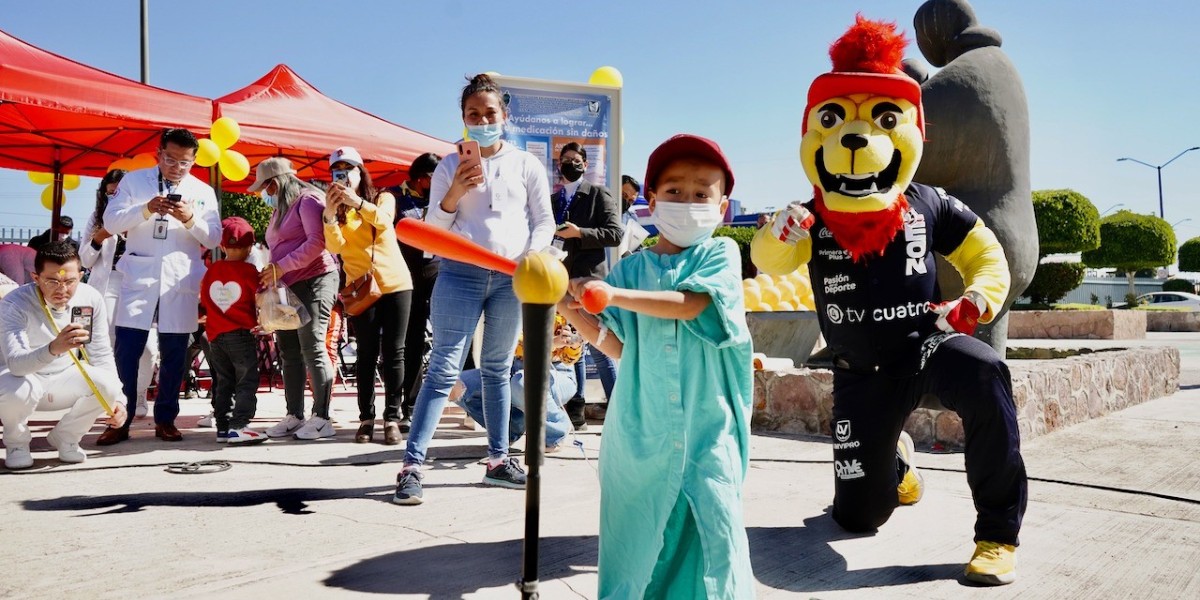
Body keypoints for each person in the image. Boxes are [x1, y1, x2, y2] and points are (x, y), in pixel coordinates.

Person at [750, 16, 1026, 586]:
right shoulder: (808, 216)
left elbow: (987, 255)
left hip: (927, 344)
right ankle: (896, 465)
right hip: (860, 374)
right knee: (857, 518)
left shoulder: (930, 204)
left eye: (881, 119)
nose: (855, 141)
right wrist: (778, 234)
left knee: (987, 374)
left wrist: (976, 299)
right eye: (835, 120)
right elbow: (768, 262)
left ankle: (998, 533)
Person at [557, 134, 755, 596]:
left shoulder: (720, 254)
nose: (688, 202)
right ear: (650, 199)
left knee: (716, 531)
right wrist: (565, 304)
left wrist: (611, 294)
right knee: (637, 540)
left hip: (710, 427)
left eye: (702, 193)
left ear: (722, 206)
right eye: (674, 191)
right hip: (640, 432)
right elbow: (618, 345)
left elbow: (689, 304)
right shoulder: (630, 268)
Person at [392, 73, 554, 505]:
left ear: (505, 115)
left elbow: (544, 222)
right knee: (444, 367)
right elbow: (432, 230)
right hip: (459, 274)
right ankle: (412, 465)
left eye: (489, 113)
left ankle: (498, 461)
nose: (482, 120)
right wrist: (456, 191)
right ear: (462, 119)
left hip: (510, 279)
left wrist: (531, 256)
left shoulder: (526, 164)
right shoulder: (449, 165)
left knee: (498, 368)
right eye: (472, 115)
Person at [97, 127, 222, 445]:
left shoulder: (203, 191)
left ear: (194, 161)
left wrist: (191, 218)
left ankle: (166, 418)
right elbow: (111, 223)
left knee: (175, 353)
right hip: (139, 276)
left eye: (184, 162)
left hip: (179, 280)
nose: (176, 167)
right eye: (170, 158)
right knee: (127, 349)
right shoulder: (135, 181)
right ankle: (120, 420)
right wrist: (145, 209)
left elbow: (214, 237)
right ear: (159, 154)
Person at [0, 240, 126, 469]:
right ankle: (16, 442)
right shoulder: (14, 303)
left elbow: (101, 353)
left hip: (64, 378)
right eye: (52, 281)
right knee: (13, 387)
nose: (62, 289)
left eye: (70, 281)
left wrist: (119, 401)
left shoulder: (90, 298)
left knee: (109, 385)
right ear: (35, 277)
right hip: (23, 380)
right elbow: (16, 364)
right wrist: (53, 348)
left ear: (81, 275)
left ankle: (66, 437)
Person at [245, 158, 340, 441]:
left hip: (317, 278)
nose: (266, 194)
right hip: (289, 285)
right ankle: (294, 414)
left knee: (312, 345)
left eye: (267, 187)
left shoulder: (308, 200)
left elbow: (317, 242)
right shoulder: (281, 211)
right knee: (288, 349)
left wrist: (281, 267)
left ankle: (322, 417)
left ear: (277, 182)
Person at [324, 147, 413, 445]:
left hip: (395, 283)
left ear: (360, 172)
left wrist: (357, 202)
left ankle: (392, 417)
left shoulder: (382, 197)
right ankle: (366, 418)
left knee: (394, 352)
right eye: (337, 170)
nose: (344, 175)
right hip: (361, 289)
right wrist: (328, 214)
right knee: (365, 354)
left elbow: (385, 221)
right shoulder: (337, 209)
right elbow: (335, 247)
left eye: (349, 169)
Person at [550, 142, 622, 432]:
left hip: (588, 279)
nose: (570, 164)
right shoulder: (554, 199)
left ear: (585, 164)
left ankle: (619, 406)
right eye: (566, 159)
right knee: (570, 342)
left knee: (599, 345)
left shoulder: (597, 194)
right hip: (558, 278)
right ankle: (576, 408)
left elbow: (614, 233)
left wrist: (580, 233)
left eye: (576, 160)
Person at [79, 169, 160, 419]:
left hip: (141, 284)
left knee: (147, 348)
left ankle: (138, 394)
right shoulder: (97, 217)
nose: (114, 197)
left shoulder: (145, 215)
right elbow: (85, 259)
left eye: (119, 192)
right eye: (110, 193)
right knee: (108, 345)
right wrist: (98, 239)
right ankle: (114, 399)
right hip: (108, 284)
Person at [451, 313, 581, 453]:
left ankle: (556, 432)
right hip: (513, 368)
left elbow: (569, 359)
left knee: (522, 383)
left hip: (558, 372)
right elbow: (511, 344)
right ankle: (510, 429)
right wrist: (550, 342)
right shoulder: (508, 303)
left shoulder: (558, 304)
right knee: (455, 385)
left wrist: (575, 343)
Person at [392, 152, 442, 430]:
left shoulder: (442, 198)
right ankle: (408, 407)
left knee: (453, 338)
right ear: (421, 177)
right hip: (406, 277)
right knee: (410, 343)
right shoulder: (396, 197)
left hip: (438, 274)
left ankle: (470, 401)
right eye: (433, 179)